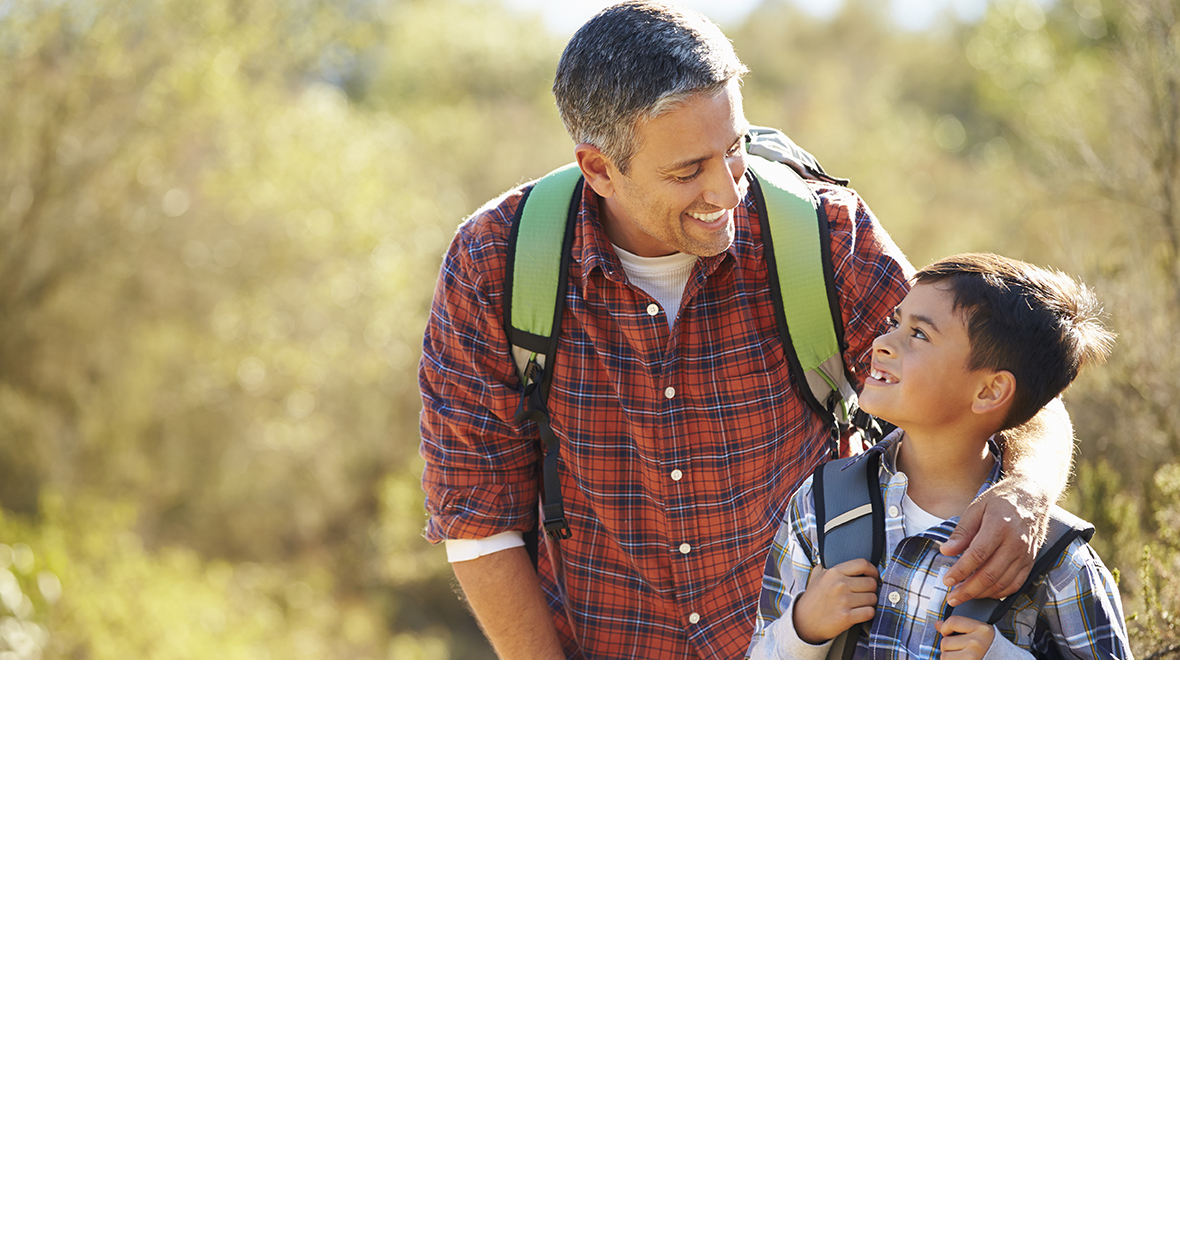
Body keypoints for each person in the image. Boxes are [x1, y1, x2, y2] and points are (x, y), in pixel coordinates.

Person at [418, 0, 1073, 660]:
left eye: (733, 149)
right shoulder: (494, 260)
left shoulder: (823, 233)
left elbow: (997, 383)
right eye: (686, 172)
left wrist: (1028, 491)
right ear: (597, 169)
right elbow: (478, 520)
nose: (729, 193)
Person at [747, 253, 1132, 659]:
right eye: (895, 323)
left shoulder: (1055, 561)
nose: (881, 343)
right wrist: (803, 627)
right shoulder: (822, 504)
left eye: (919, 335)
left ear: (989, 391)